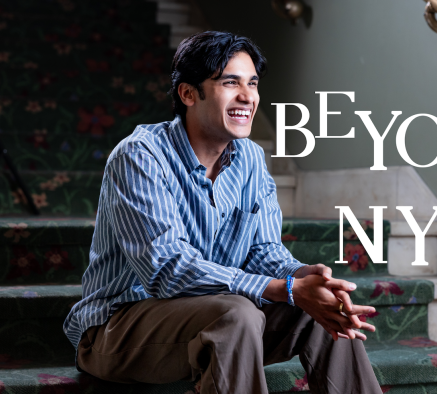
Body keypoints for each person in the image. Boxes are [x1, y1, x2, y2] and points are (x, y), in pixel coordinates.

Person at [63, 31, 382, 394]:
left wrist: (301, 276)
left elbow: (264, 251)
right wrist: (284, 289)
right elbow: (167, 270)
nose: (247, 96)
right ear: (187, 94)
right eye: (231, 83)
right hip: (118, 329)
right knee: (237, 313)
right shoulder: (140, 156)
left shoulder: (251, 159)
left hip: (213, 319)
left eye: (253, 84)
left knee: (325, 310)